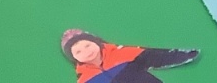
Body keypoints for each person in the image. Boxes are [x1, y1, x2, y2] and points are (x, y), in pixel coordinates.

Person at [61, 31, 198, 83]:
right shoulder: (85, 80)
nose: (86, 52)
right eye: (78, 52)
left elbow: (155, 56)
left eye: (87, 45)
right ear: (74, 58)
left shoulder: (122, 54)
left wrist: (184, 55)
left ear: (97, 43)